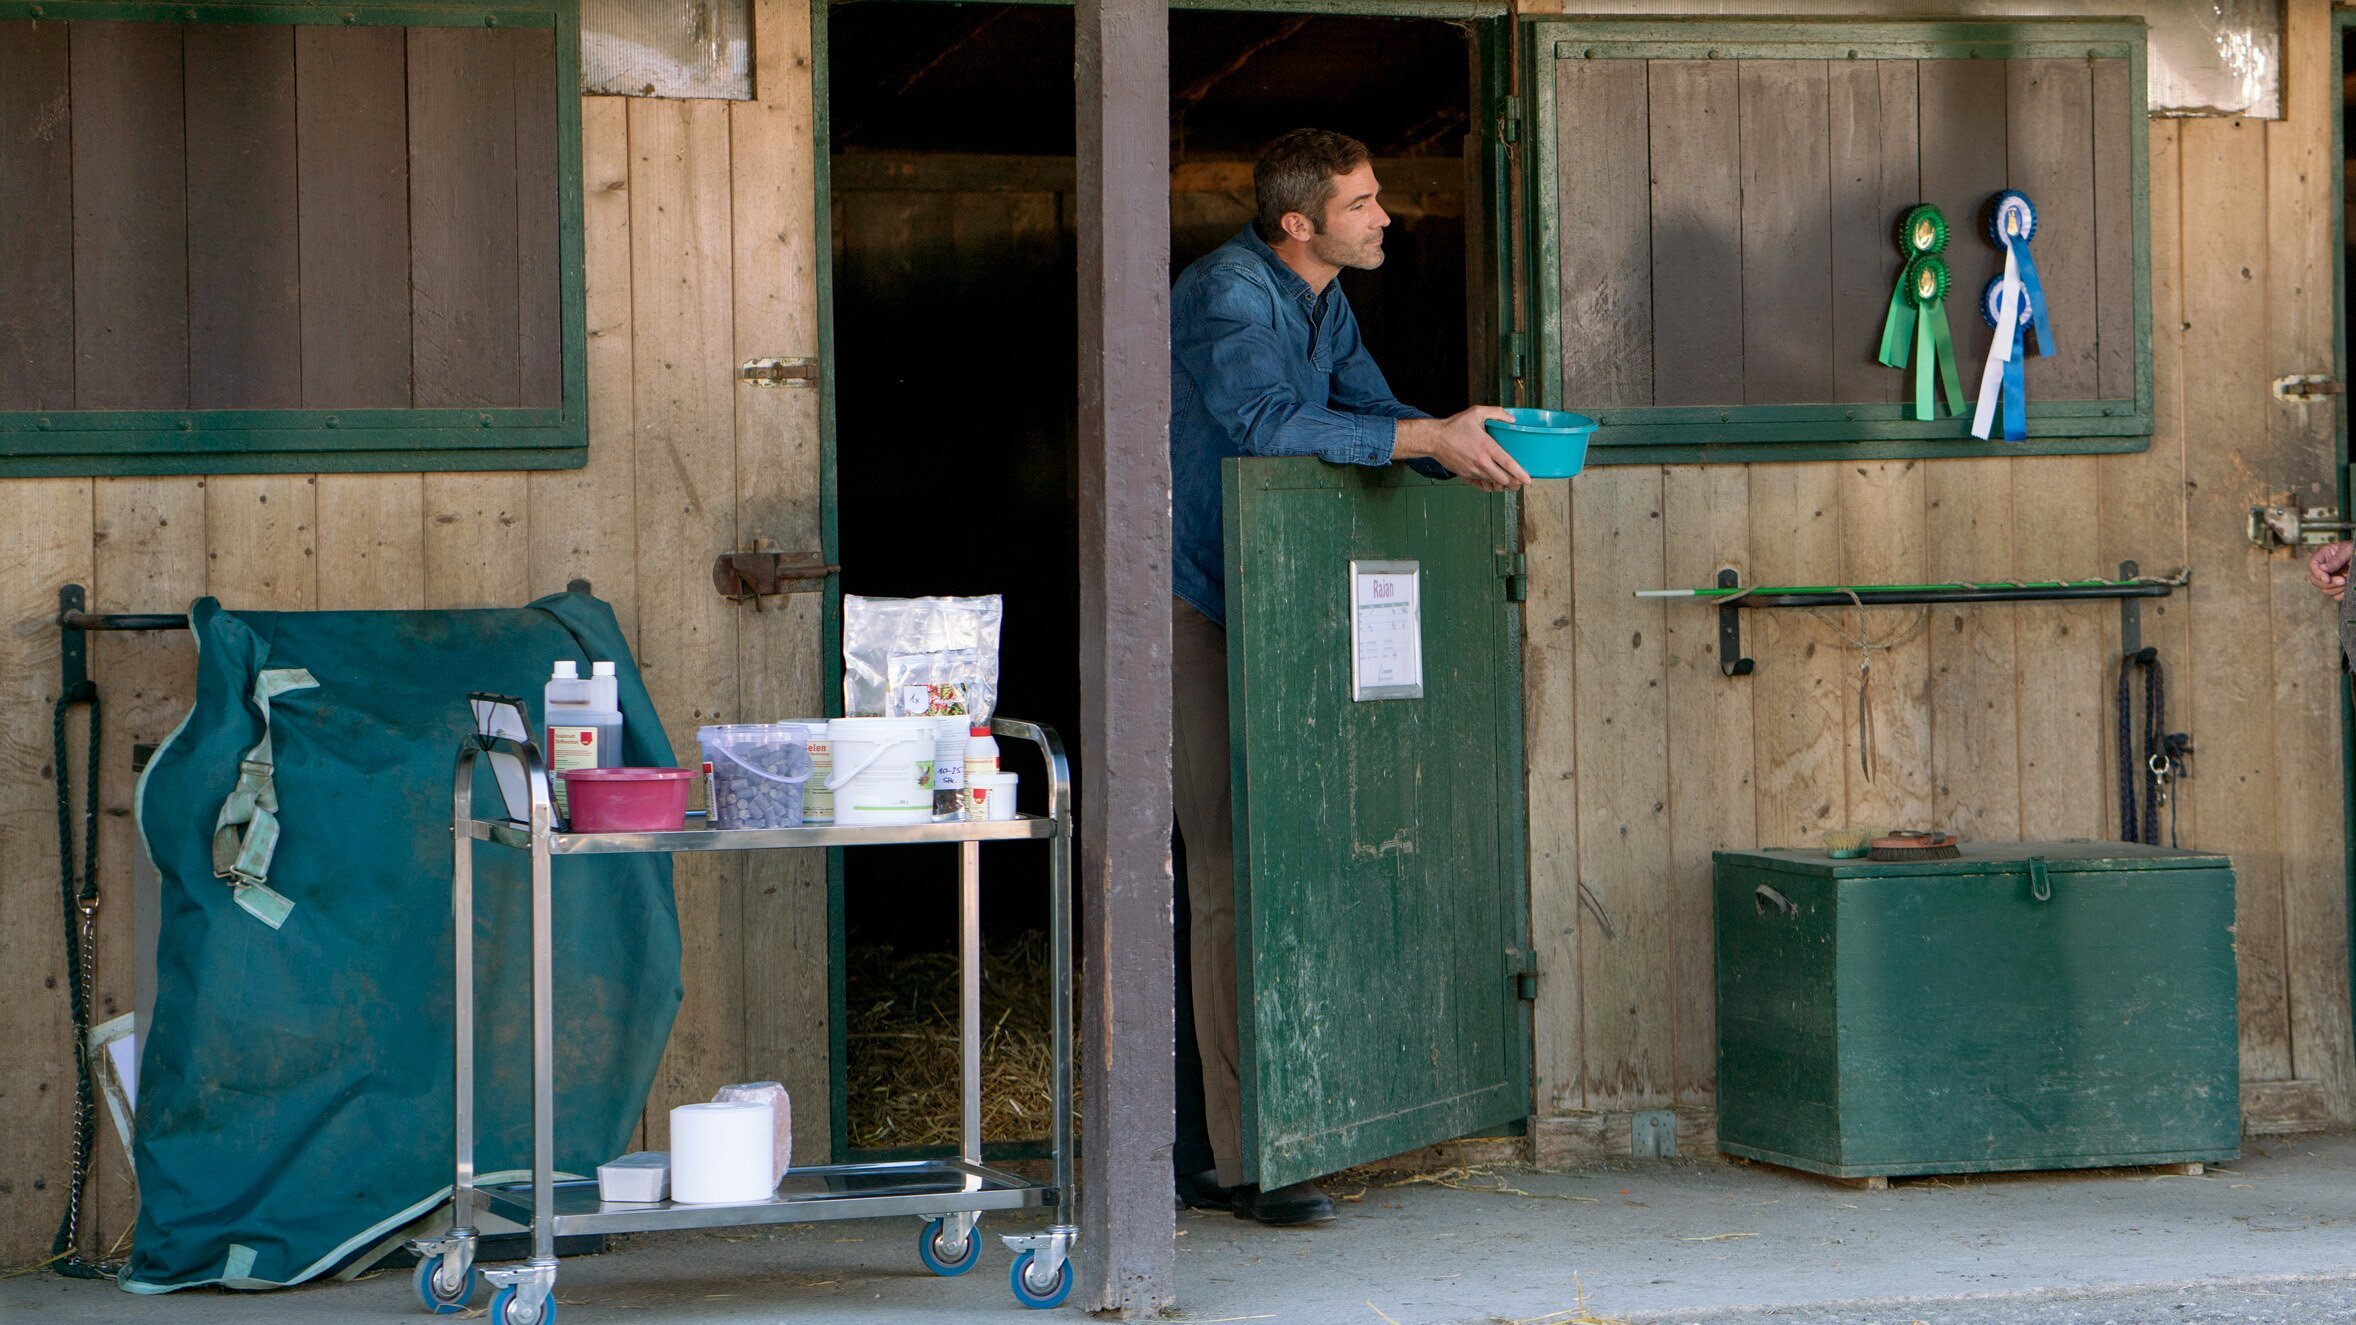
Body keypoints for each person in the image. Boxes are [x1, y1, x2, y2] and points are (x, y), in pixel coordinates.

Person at [1167, 127, 1529, 1227]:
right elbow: (1267, 426)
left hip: (1278, 600)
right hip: (1194, 602)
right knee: (1228, 869)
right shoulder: (1230, 295)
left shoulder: (1323, 299)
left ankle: (1260, 1126)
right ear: (1299, 222)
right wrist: (1427, 439)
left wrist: (1463, 442)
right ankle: (1236, 1162)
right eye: (1363, 203)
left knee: (1288, 859)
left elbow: (1376, 415)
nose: (1384, 217)